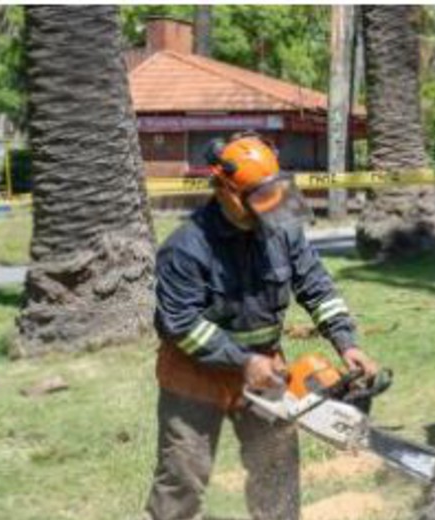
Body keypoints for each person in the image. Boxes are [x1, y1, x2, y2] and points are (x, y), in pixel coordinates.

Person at [144, 132, 378, 520]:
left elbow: (317, 287)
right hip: (195, 377)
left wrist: (346, 343)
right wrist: (242, 360)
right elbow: (181, 324)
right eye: (257, 198)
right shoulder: (186, 248)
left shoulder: (281, 229)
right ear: (225, 190)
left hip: (266, 371)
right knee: (182, 480)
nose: (268, 208)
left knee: (277, 471)